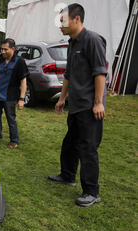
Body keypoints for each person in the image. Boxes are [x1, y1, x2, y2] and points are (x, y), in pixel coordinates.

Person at [48, 3, 107, 207]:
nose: (60, 25)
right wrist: (62, 98)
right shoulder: (72, 43)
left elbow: (100, 73)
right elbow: (69, 75)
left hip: (90, 107)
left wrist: (98, 103)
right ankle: (68, 175)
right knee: (70, 143)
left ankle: (92, 192)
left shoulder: (92, 40)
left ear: (77, 19)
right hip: (75, 105)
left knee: (88, 149)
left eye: (63, 20)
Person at [0, 38, 29, 149]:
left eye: (5, 49)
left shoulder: (20, 61)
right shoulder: (1, 59)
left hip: (10, 96)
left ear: (12, 49)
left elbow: (23, 80)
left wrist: (21, 99)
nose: (2, 51)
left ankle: (14, 140)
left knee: (11, 119)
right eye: (1, 49)